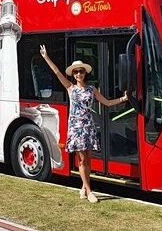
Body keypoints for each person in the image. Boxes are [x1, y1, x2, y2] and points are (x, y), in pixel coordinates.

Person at [40, 44, 128, 203]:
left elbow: (106, 103)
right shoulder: (70, 88)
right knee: (82, 159)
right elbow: (57, 72)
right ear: (73, 75)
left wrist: (123, 98)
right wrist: (46, 57)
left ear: (85, 73)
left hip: (88, 126)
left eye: (81, 71)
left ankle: (83, 188)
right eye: (76, 72)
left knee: (88, 159)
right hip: (76, 127)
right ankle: (89, 191)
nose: (78, 74)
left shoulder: (91, 89)